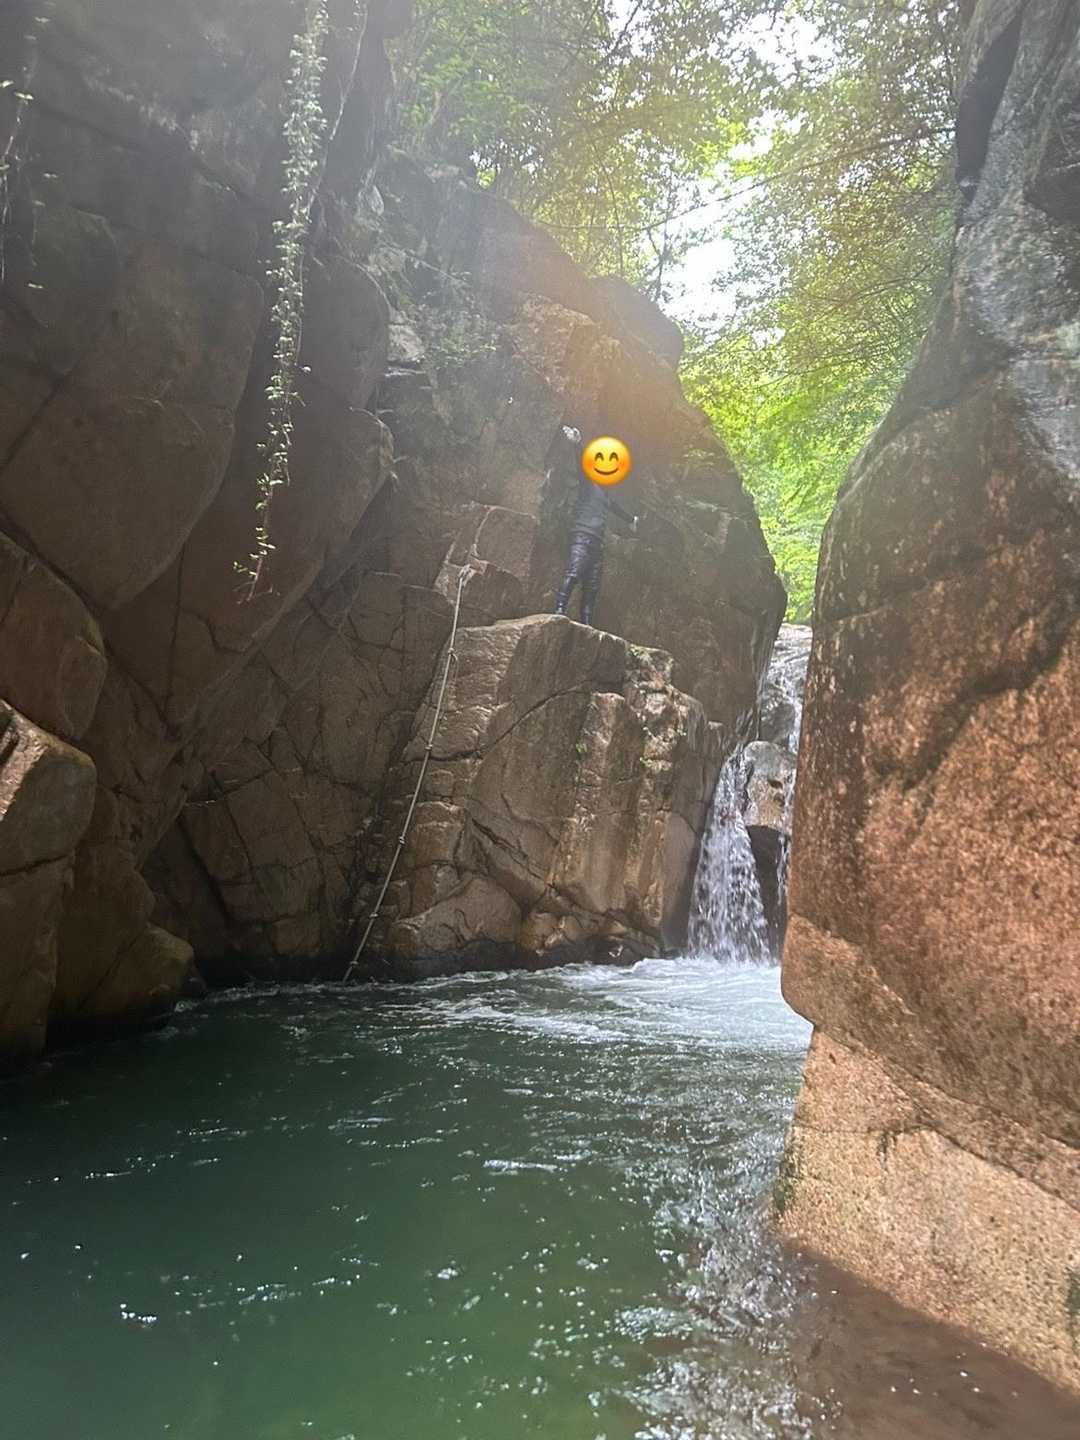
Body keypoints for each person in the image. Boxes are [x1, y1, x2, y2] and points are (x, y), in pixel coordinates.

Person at [551, 426, 638, 627]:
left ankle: (587, 623)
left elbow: (617, 509)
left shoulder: (606, 496)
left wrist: (631, 520)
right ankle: (559, 609)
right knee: (574, 573)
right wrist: (577, 445)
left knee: (592, 587)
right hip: (582, 535)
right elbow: (582, 469)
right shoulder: (589, 484)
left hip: (597, 543)